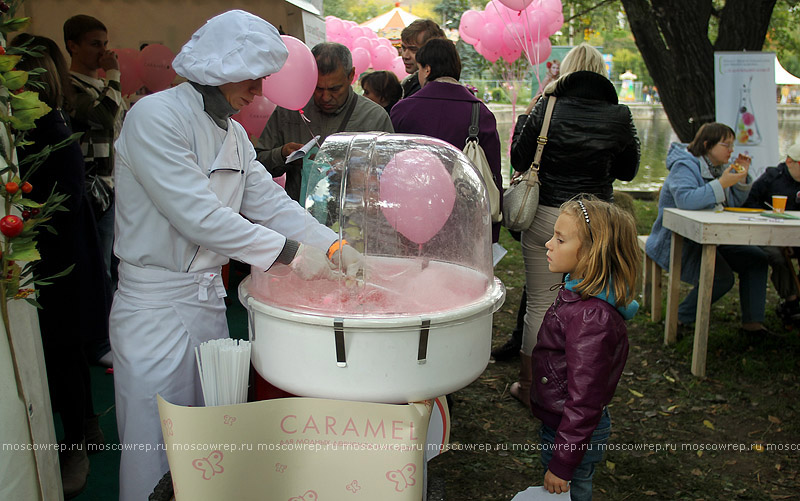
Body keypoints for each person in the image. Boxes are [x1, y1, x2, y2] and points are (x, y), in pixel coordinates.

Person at [110, 11, 364, 500]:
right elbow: (197, 215)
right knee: (152, 439)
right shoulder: (155, 118)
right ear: (221, 70)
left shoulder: (232, 134)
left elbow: (268, 203)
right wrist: (290, 254)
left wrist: (334, 244)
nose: (259, 92)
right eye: (253, 79)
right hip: (154, 307)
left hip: (205, 302)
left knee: (205, 435)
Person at [507, 43, 640, 406]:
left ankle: (534, 388)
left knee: (539, 305)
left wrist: (536, 105)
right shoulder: (619, 115)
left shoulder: (548, 107)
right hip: (597, 222)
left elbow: (519, 156)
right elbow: (629, 171)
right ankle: (587, 382)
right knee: (595, 301)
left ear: (565, 72)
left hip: (548, 215)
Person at [11, 33, 112, 499]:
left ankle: (76, 444)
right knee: (64, 353)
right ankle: (84, 427)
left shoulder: (50, 128)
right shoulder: (42, 125)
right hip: (55, 256)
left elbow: (68, 207)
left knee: (63, 352)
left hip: (60, 259)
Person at [531, 197, 639, 500]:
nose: (548, 244)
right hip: (563, 426)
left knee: (572, 490)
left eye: (560, 239)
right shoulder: (576, 292)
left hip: (572, 432)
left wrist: (563, 463)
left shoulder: (592, 317)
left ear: (592, 253)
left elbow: (585, 400)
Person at [646, 122, 771, 337]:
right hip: (680, 238)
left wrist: (739, 180)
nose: (731, 151)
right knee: (720, 277)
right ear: (707, 144)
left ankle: (753, 325)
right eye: (726, 145)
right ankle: (679, 317)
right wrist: (722, 183)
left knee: (757, 259)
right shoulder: (685, 165)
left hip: (715, 236)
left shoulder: (718, 167)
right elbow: (685, 200)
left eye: (732, 145)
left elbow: (734, 203)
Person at [391, 38, 503, 244]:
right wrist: (491, 233)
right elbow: (492, 174)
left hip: (412, 215)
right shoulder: (480, 113)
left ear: (427, 69)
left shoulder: (403, 110)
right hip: (463, 221)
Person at [256, 42, 394, 202]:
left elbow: (389, 179)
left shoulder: (374, 117)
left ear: (351, 76)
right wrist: (281, 154)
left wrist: (351, 169)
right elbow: (256, 165)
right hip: (298, 217)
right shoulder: (289, 110)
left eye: (335, 89)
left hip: (351, 220)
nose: (326, 97)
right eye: (318, 88)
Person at [63, 15, 126, 288]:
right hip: (94, 188)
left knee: (117, 263)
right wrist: (114, 75)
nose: (103, 51)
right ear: (72, 46)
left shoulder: (104, 88)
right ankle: (101, 326)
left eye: (105, 44)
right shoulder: (70, 86)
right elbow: (102, 116)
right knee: (100, 267)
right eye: (94, 44)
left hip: (117, 185)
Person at [743, 142, 800, 323]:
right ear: (790, 162)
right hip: (770, 234)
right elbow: (749, 205)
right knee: (777, 256)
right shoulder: (771, 178)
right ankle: (791, 301)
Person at [398, 19, 445, 99]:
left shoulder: (435, 88)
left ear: (431, 50)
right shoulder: (411, 82)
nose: (405, 56)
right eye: (403, 48)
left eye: (413, 50)